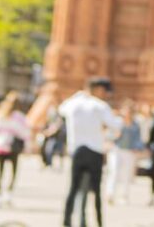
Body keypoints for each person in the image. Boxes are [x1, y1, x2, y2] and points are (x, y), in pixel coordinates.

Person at [60, 77, 121, 227]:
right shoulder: (100, 106)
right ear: (99, 90)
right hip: (95, 151)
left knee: (73, 189)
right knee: (96, 192)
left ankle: (66, 222)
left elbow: (61, 109)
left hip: (77, 151)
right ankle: (98, 222)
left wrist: (77, 95)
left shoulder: (73, 104)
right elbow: (116, 126)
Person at [0, 91, 31, 208]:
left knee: (0, 173)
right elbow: (25, 133)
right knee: (13, 172)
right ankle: (8, 194)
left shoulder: (0, 114)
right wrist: (27, 146)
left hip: (0, 146)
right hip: (13, 148)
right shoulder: (19, 117)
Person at [106, 101, 143, 204]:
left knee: (127, 174)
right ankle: (110, 194)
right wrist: (114, 136)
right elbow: (109, 135)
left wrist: (138, 147)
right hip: (116, 149)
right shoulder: (117, 122)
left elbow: (138, 139)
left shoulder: (135, 124)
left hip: (129, 151)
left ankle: (124, 196)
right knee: (113, 171)